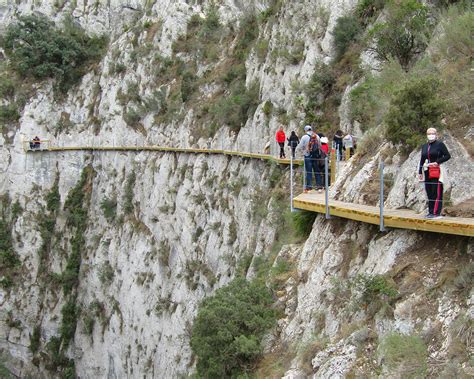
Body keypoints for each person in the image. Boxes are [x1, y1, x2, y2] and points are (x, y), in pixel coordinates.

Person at [418, 128, 451, 219]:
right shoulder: (425, 146)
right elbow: (422, 159)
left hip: (436, 170)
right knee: (429, 192)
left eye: (433, 133)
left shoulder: (440, 144)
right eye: (429, 133)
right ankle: (430, 212)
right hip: (427, 170)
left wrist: (438, 161)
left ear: (436, 134)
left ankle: (436, 213)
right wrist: (420, 171)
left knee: (436, 191)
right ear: (426, 135)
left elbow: (448, 156)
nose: (431, 135)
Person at [297, 125, 323, 193]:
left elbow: (299, 147)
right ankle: (319, 186)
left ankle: (309, 187)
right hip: (316, 156)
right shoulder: (316, 136)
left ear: (305, 130)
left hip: (307, 156)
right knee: (317, 171)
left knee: (309, 172)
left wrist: (303, 151)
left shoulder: (304, 137)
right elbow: (320, 146)